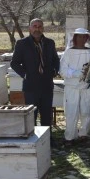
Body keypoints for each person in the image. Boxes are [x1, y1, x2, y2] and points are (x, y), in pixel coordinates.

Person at [10, 18, 60, 146]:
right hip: (30, 85)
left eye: (39, 26)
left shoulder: (49, 43)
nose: (37, 29)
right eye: (34, 26)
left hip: (47, 85)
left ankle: (47, 139)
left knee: (46, 114)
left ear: (43, 28)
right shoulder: (22, 43)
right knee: (32, 115)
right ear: (29, 28)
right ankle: (33, 140)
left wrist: (54, 71)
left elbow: (55, 59)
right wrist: (25, 74)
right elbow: (14, 63)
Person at [59, 28, 90, 146]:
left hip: (88, 87)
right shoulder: (68, 52)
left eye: (84, 37)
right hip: (72, 86)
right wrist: (76, 73)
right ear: (74, 38)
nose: (81, 39)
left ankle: (84, 135)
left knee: (87, 111)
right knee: (71, 112)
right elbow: (63, 70)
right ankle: (69, 137)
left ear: (87, 38)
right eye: (79, 37)